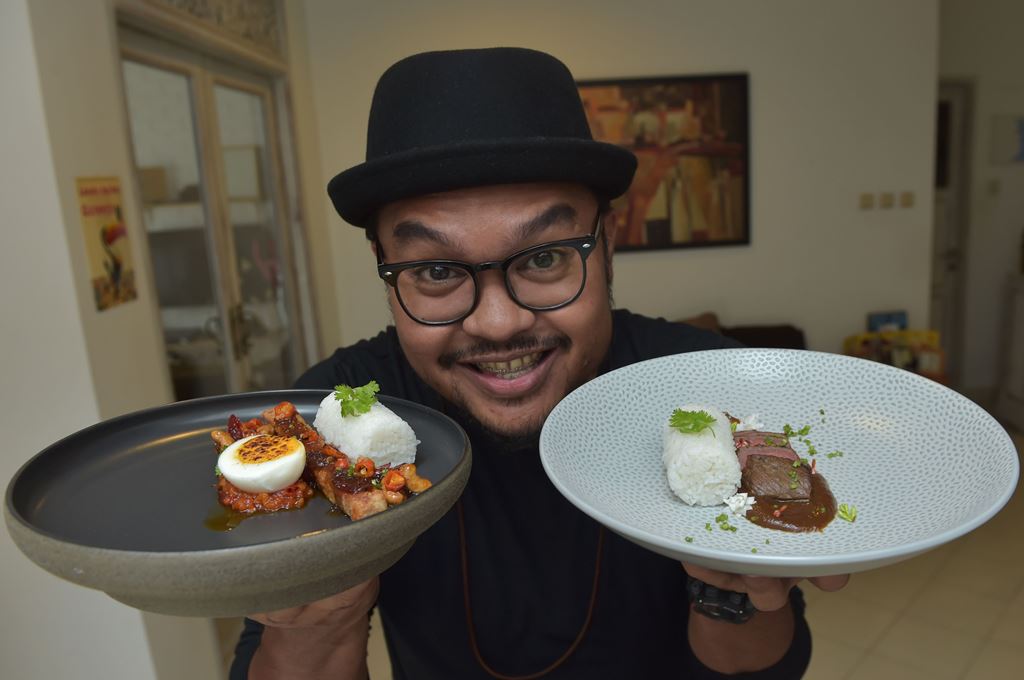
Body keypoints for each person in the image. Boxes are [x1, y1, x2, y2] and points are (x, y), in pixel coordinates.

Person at [231, 47, 847, 680]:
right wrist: (326, 614)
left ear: (606, 245)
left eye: (546, 258)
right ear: (386, 272)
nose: (499, 323)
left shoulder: (702, 384)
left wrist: (731, 590)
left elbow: (761, 669)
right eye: (437, 272)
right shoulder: (327, 421)